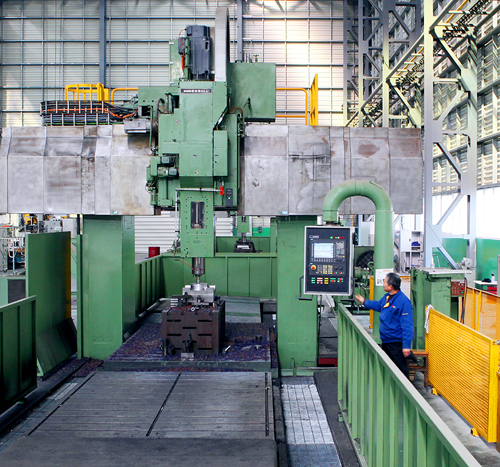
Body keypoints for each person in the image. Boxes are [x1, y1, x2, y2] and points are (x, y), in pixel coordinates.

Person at [355, 272, 414, 379]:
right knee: (389, 370)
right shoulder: (387, 297)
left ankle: (406, 389)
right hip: (386, 341)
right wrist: (364, 302)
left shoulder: (403, 302)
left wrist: (406, 346)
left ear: (390, 286)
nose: (383, 284)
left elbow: (407, 326)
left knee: (401, 372)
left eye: (384, 282)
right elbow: (379, 305)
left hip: (396, 343)